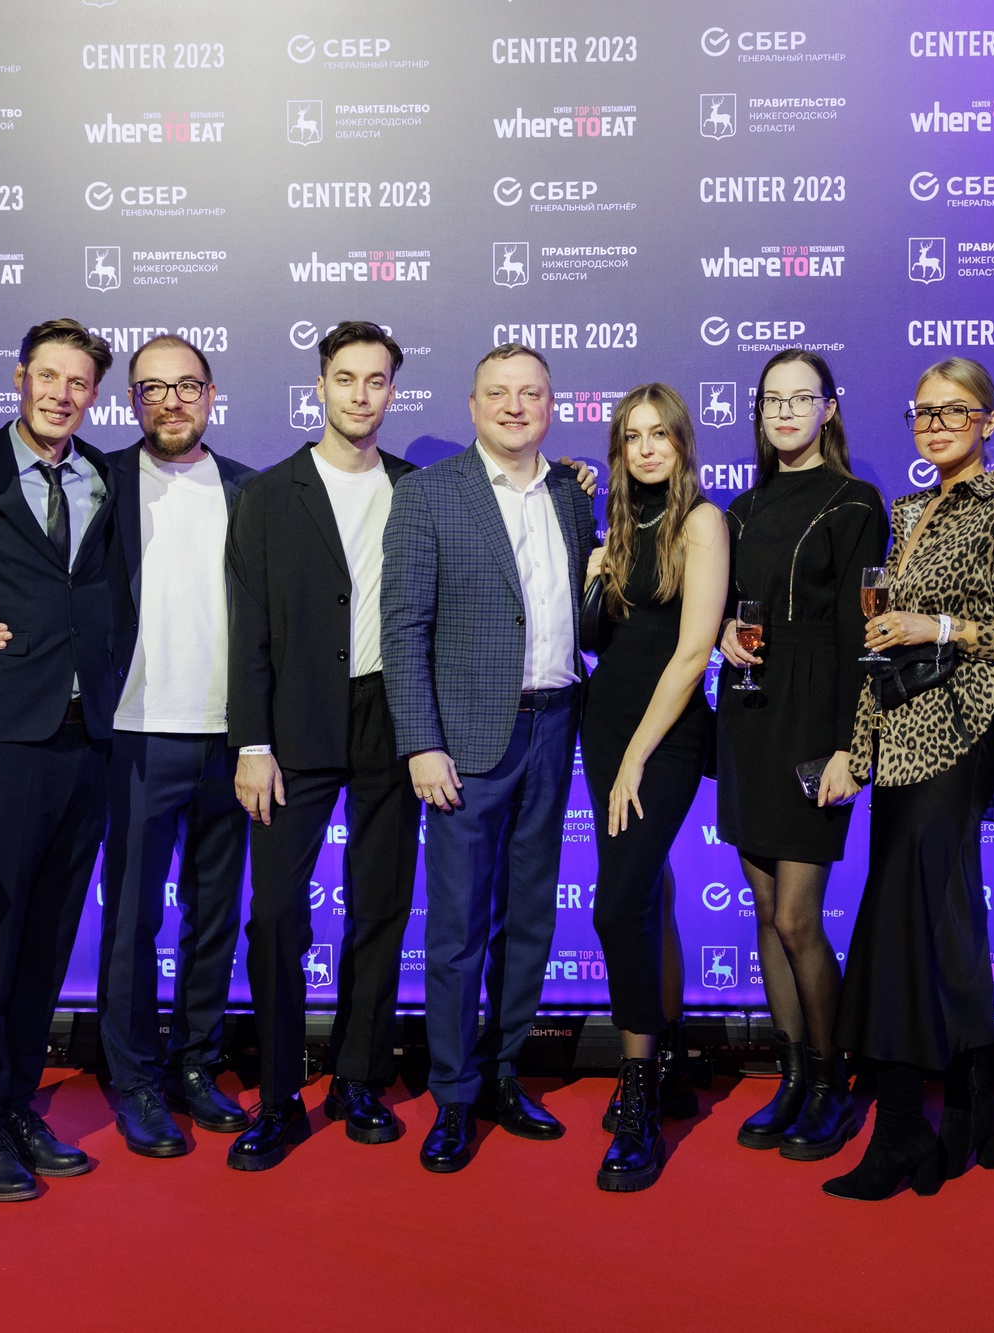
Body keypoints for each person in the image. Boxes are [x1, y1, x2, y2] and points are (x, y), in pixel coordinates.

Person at [825, 357, 994, 1201]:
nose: (935, 424)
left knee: (899, 918)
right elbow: (879, 643)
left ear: (989, 419)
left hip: (959, 730)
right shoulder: (905, 511)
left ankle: (899, 1128)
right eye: (923, 411)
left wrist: (943, 625)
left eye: (954, 410)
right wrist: (857, 748)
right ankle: (971, 1102)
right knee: (943, 920)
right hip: (898, 733)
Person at [381, 343, 597, 1173]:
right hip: (464, 743)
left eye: (530, 393)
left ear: (550, 406)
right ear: (472, 406)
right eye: (498, 393)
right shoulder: (428, 493)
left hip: (555, 726)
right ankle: (453, 1091)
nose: (514, 406)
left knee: (530, 917)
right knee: (457, 927)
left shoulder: (573, 497)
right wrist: (421, 741)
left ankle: (505, 1072)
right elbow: (402, 629)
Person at [0, 320, 118, 1198]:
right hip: (5, 738)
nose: (60, 395)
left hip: (92, 739)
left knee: (48, 939)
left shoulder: (107, 477)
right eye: (48, 376)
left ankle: (15, 1103)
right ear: (19, 378)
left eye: (78, 383)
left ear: (93, 394)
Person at [224, 322, 422, 1170]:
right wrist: (251, 742)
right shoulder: (269, 494)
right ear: (320, 385)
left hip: (392, 717)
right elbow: (247, 630)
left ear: (391, 392)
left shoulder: (418, 489)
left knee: (380, 906)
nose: (360, 394)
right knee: (274, 914)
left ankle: (356, 1077)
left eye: (376, 380)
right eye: (346, 378)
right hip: (292, 722)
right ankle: (277, 1094)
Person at [87, 335, 256, 1157]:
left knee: (213, 916)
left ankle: (195, 1061)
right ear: (131, 401)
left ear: (211, 394)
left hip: (231, 739)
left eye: (186, 385)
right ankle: (133, 1078)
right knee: (131, 920)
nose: (171, 402)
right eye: (152, 388)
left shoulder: (251, 491)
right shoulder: (97, 482)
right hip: (133, 737)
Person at [714, 349, 883, 1161]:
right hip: (747, 717)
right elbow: (719, 606)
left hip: (816, 721)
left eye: (800, 398)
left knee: (795, 916)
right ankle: (790, 1077)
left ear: (828, 408)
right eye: (771, 399)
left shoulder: (855, 503)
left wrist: (854, 744)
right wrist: (720, 630)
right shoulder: (740, 509)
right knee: (762, 911)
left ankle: (830, 1082)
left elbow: (863, 636)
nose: (784, 411)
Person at [579, 384, 727, 1192]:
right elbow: (597, 640)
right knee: (649, 894)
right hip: (604, 726)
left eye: (658, 434)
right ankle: (667, 1061)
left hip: (662, 738)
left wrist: (638, 754)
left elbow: (693, 651)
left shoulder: (701, 522)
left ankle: (635, 1091)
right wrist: (593, 575)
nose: (644, 448)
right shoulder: (614, 524)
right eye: (631, 436)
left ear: (680, 443)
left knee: (617, 905)